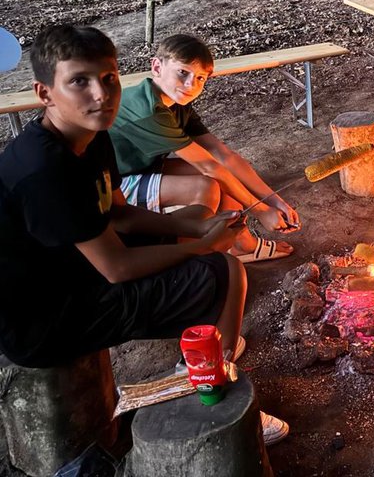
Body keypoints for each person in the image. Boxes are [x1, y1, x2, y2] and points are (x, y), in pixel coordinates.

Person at [0, 25, 288, 444]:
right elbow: (116, 267)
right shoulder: (44, 169)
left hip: (70, 267)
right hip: (44, 317)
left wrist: (192, 225)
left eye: (108, 78)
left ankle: (201, 362)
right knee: (225, 274)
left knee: (195, 221)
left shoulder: (91, 138)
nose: (101, 95)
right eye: (79, 81)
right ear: (44, 93)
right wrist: (205, 244)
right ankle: (210, 393)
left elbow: (119, 214)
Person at [109, 34, 298, 263]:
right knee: (206, 186)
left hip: (138, 169)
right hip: (111, 188)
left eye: (200, 78)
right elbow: (209, 167)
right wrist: (260, 211)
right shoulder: (148, 110)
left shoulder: (177, 103)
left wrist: (275, 201)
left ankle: (241, 244)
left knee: (226, 176)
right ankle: (185, 258)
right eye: (183, 72)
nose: (191, 84)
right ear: (157, 66)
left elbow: (224, 156)